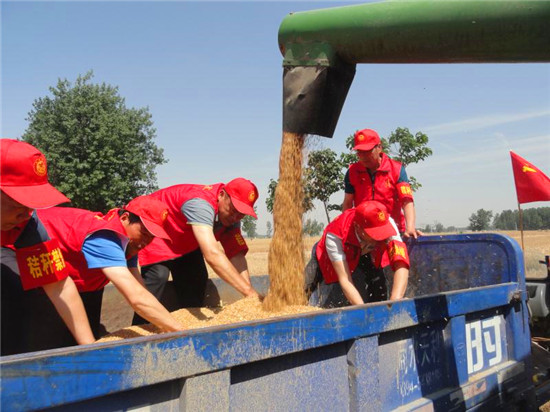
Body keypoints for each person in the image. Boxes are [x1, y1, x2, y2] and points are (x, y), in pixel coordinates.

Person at [34, 196, 185, 338]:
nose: (146, 242)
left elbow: (139, 288)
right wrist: (180, 331)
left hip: (81, 284)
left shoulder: (130, 243)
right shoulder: (104, 238)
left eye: (152, 237)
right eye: (144, 233)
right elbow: (137, 297)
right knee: (53, 341)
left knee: (88, 337)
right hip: (39, 275)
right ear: (125, 218)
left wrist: (163, 320)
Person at [1, 138, 95, 355]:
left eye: (31, 205)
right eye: (17, 205)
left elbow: (59, 286)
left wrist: (91, 348)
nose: (27, 214)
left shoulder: (28, 223)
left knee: (28, 291)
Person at [133, 178, 260, 324]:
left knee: (197, 278)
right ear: (222, 195)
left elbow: (236, 254)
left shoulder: (232, 218)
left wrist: (249, 295)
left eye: (242, 214)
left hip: (186, 240)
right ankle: (139, 329)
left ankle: (190, 326)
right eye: (233, 210)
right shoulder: (200, 204)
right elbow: (212, 254)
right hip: (160, 234)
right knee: (158, 277)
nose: (236, 217)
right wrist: (250, 293)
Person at [305, 200, 409, 307]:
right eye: (375, 233)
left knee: (378, 290)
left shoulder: (386, 223)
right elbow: (345, 280)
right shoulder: (336, 234)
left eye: (382, 232)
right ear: (357, 227)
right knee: (307, 287)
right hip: (327, 257)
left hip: (365, 255)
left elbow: (401, 263)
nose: (380, 237)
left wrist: (396, 300)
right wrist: (363, 311)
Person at [342, 128, 422, 239]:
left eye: (367, 151)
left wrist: (410, 227)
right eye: (359, 152)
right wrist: (345, 229)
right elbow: (347, 203)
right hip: (364, 233)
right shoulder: (352, 172)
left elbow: (407, 201)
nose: (363, 156)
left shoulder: (396, 169)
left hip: (393, 231)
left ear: (379, 147)